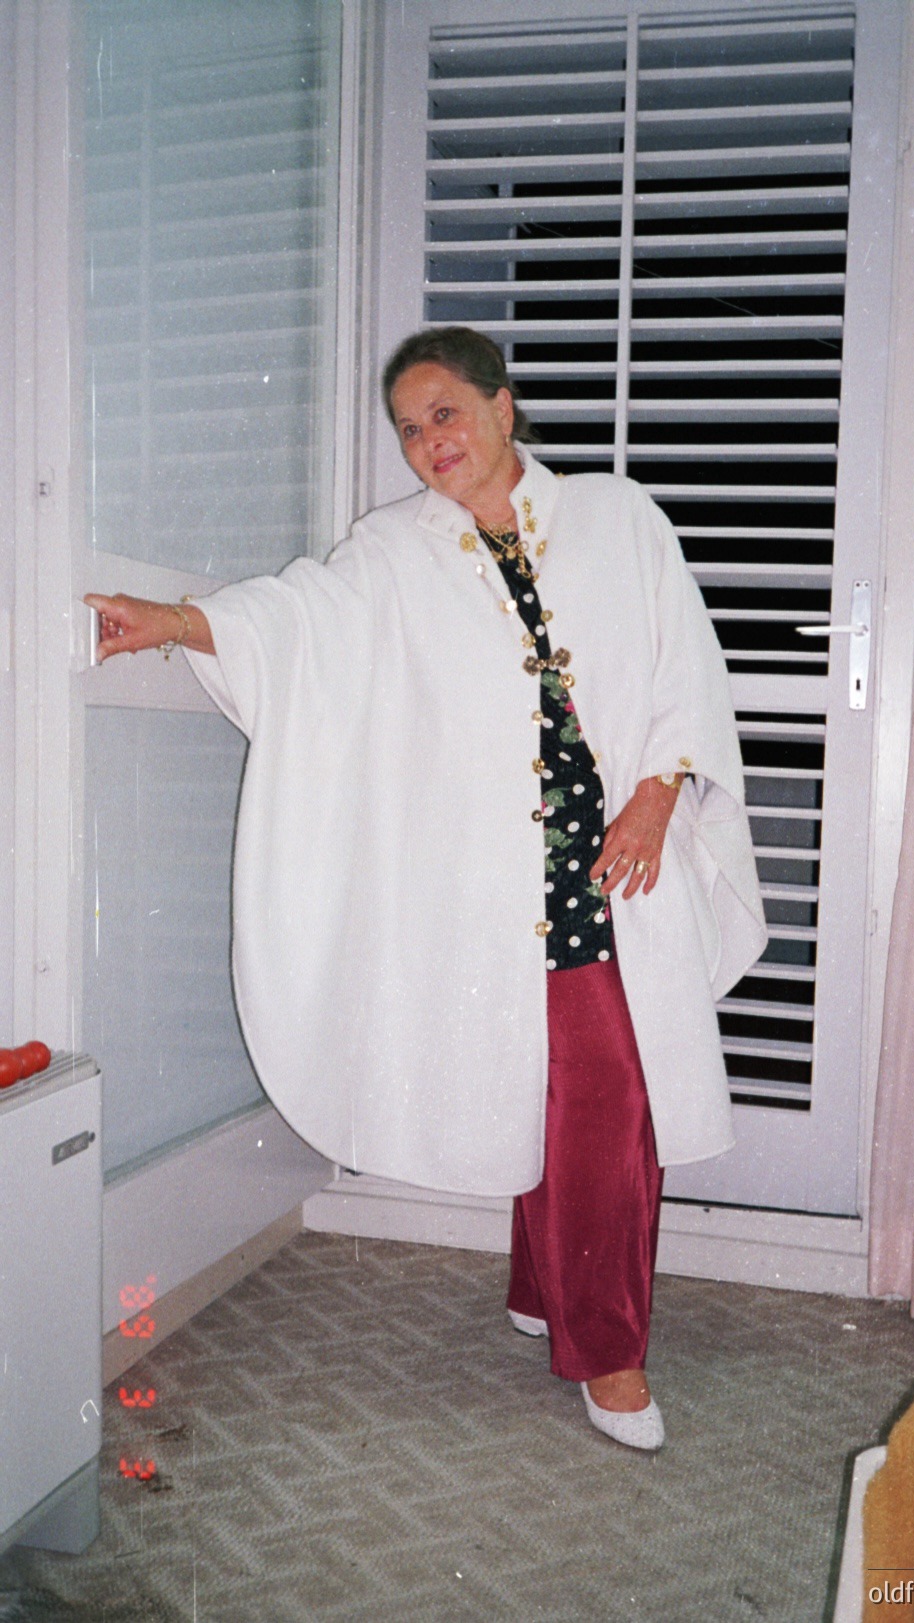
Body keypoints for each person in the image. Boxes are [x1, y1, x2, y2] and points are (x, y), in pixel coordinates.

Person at [86, 325, 766, 1452]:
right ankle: (576, 1319)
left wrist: (659, 790)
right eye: (408, 428)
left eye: (446, 411)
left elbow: (685, 667)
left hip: (615, 863)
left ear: (505, 407)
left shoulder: (617, 519)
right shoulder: (394, 549)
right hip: (493, 877)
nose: (427, 442)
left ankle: (597, 1335)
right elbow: (299, 620)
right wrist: (175, 624)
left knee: (606, 1101)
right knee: (556, 1089)